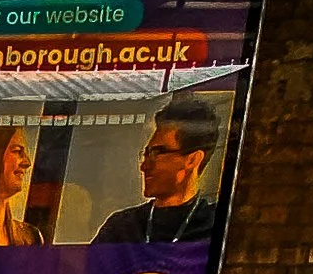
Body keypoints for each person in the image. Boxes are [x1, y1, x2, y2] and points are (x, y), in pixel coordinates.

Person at [92, 94, 221, 244]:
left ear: (192, 160)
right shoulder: (121, 228)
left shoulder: (216, 225)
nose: (144, 166)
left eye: (157, 153)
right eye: (147, 154)